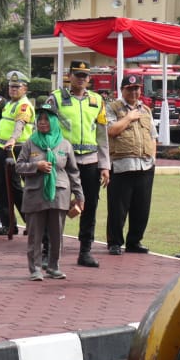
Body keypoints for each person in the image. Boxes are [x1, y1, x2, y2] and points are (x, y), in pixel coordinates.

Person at [18, 99, 85, 280]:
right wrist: (36, 166)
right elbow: (18, 166)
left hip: (59, 193)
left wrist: (79, 195)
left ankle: (54, 266)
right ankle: (35, 269)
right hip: (35, 194)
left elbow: (73, 172)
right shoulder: (30, 143)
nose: (42, 123)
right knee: (35, 235)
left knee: (57, 235)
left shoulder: (64, 145)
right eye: (40, 119)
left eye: (47, 119)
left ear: (54, 121)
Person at [51, 60, 109, 268]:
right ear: (69, 75)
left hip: (91, 161)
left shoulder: (97, 100)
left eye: (85, 75)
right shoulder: (56, 98)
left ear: (89, 78)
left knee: (89, 206)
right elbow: (47, 129)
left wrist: (105, 165)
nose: (81, 79)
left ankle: (85, 250)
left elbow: (102, 135)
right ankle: (50, 249)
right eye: (77, 74)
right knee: (58, 204)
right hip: (65, 161)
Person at [105, 75, 156, 255]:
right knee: (118, 208)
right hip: (121, 165)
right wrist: (129, 117)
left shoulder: (147, 110)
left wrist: (153, 159)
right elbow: (111, 131)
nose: (134, 92)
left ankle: (134, 241)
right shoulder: (112, 108)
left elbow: (152, 136)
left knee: (141, 208)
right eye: (130, 88)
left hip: (145, 165)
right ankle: (115, 242)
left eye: (137, 88)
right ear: (122, 90)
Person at [0, 70, 34, 237]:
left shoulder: (24, 105)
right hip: (2, 149)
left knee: (14, 187)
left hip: (16, 149)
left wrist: (13, 139)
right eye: (11, 86)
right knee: (2, 187)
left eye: (17, 87)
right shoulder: (9, 104)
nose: (13, 89)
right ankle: (9, 223)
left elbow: (20, 124)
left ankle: (29, 221)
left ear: (25, 89)